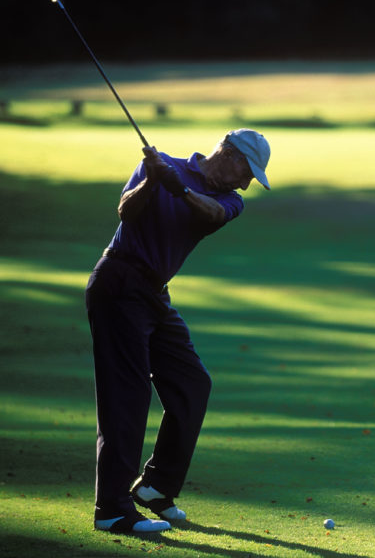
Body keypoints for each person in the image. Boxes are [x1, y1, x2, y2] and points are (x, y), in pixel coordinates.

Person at [85, 128, 271, 533]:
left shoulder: (230, 200)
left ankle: (155, 487)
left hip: (154, 294)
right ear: (229, 154)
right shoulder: (160, 165)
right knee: (127, 397)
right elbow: (125, 212)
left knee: (192, 383)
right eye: (248, 171)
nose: (246, 183)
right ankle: (112, 509)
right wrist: (153, 180)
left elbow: (211, 214)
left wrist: (179, 190)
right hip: (118, 281)